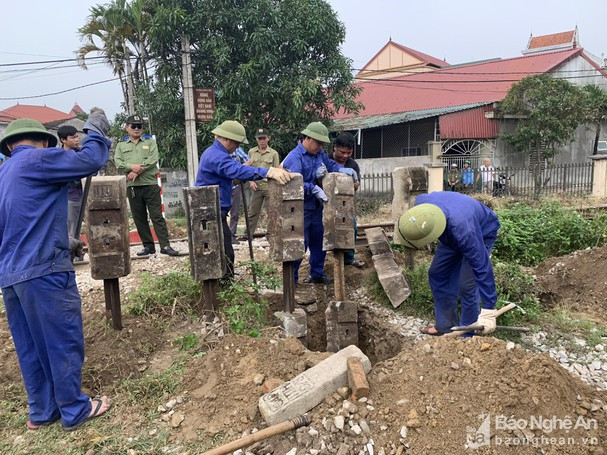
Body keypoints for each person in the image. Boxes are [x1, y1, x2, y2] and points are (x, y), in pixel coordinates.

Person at [0, 112, 112, 431]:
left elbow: (18, 224)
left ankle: (42, 411)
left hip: (11, 277)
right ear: (42, 141)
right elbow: (90, 160)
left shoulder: (4, 173)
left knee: (31, 347)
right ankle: (74, 409)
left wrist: (65, 241)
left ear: (8, 146)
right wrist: (94, 130)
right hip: (44, 271)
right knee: (61, 337)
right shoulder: (38, 159)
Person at [195, 120, 291, 278]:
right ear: (227, 140)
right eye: (237, 143)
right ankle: (225, 289)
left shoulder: (217, 153)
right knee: (224, 255)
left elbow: (225, 177)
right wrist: (266, 172)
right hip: (210, 212)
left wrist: (236, 180)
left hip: (214, 210)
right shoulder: (216, 155)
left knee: (223, 253)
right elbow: (235, 169)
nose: (237, 147)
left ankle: (224, 286)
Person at [397, 192, 501, 336]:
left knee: (467, 284)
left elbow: (482, 267)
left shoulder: (465, 233)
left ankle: (467, 333)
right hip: (449, 231)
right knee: (437, 274)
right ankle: (445, 326)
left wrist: (489, 309)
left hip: (481, 232)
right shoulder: (421, 207)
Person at [282, 122, 359, 284]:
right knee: (299, 244)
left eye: (322, 144)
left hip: (317, 206)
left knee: (319, 241)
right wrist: (313, 188)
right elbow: (294, 183)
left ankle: (316, 273)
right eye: (318, 143)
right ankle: (291, 280)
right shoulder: (295, 157)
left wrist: (341, 169)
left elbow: (330, 164)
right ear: (308, 138)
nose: (320, 147)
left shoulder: (319, 154)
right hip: (300, 208)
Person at [114, 114, 178, 256]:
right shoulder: (121, 145)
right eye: (133, 126)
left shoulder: (150, 143)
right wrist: (132, 166)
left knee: (157, 216)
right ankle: (148, 246)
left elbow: (153, 158)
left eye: (139, 126)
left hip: (150, 184)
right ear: (127, 128)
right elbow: (118, 162)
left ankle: (165, 245)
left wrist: (137, 171)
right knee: (139, 217)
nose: (136, 129)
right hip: (133, 187)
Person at [331, 132, 364, 268]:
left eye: (348, 153)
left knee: (352, 228)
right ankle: (321, 263)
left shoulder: (352, 165)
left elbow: (356, 187)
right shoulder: (327, 160)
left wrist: (354, 182)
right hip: (328, 203)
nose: (345, 156)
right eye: (342, 152)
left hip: (346, 205)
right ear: (335, 147)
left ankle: (349, 258)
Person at [58, 125, 86, 261]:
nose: (77, 139)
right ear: (63, 140)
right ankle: (73, 254)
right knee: (72, 228)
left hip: (86, 194)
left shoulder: (81, 153)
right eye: (73, 137)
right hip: (70, 195)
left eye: (77, 136)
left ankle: (80, 252)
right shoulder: (58, 156)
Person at [246, 128, 280, 236]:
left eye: (264, 138)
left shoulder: (273, 153)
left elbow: (276, 171)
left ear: (268, 138)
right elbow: (248, 169)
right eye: (259, 138)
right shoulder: (251, 152)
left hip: (269, 187)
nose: (262, 141)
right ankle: (248, 235)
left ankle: (272, 234)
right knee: (252, 212)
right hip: (256, 187)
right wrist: (251, 181)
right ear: (256, 139)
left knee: (272, 212)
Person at [228, 146, 251, 244]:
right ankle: (223, 236)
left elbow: (249, 161)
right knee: (221, 212)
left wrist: (239, 168)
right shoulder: (219, 153)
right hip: (223, 185)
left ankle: (232, 235)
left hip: (235, 184)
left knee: (235, 212)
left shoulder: (237, 150)